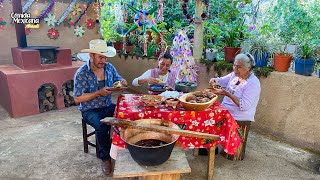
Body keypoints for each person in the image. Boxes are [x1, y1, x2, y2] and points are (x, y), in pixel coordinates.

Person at [73, 39, 128, 175]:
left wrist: (122, 81)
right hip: (90, 110)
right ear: (91, 56)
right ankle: (106, 158)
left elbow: (118, 78)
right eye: (100, 57)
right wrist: (98, 93)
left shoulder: (109, 68)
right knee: (102, 126)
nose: (103, 61)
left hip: (107, 105)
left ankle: (121, 147)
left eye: (105, 57)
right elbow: (77, 98)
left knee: (126, 115)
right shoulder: (82, 73)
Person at [208, 53, 261, 160]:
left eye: (239, 67)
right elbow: (220, 81)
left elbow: (244, 106)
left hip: (240, 115)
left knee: (209, 117)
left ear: (248, 67)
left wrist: (227, 93)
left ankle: (216, 145)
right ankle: (208, 145)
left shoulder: (253, 83)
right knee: (205, 112)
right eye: (234, 65)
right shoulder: (234, 75)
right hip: (226, 110)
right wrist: (214, 80)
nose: (235, 69)